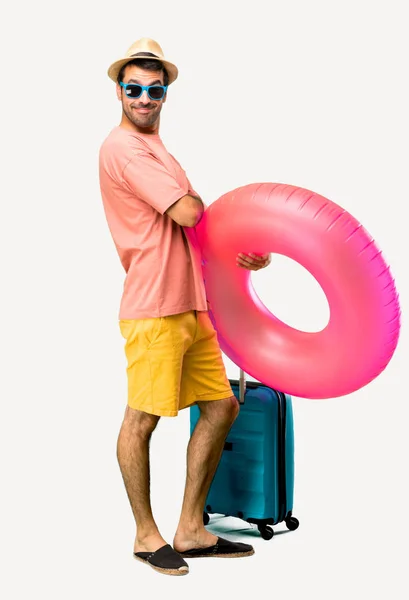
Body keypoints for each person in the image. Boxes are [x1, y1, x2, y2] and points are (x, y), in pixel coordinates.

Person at [99, 38, 272, 576]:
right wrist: (200, 211)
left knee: (221, 406)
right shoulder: (125, 149)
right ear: (120, 92)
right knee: (142, 418)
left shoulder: (160, 151)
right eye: (134, 89)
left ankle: (191, 529)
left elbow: (199, 224)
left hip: (190, 302)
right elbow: (188, 211)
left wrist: (242, 252)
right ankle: (145, 535)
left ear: (166, 93)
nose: (145, 98)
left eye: (155, 89)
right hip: (154, 305)